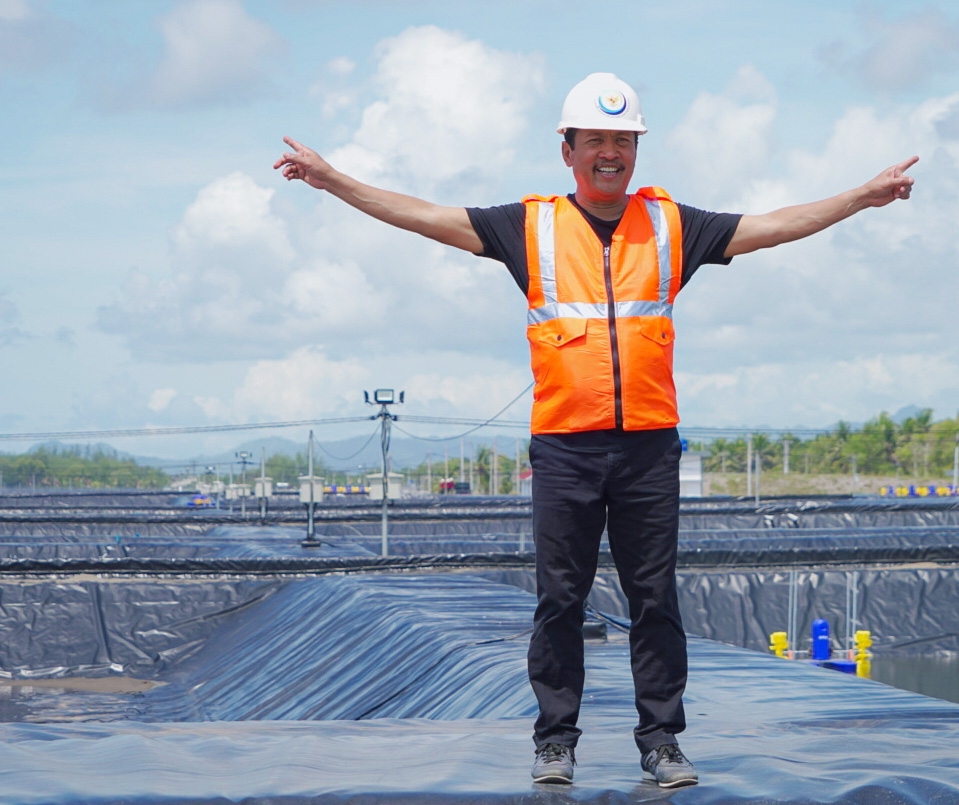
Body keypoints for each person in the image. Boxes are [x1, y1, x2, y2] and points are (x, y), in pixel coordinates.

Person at [274, 72, 916, 789]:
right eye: (597, 141)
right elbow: (422, 213)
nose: (611, 153)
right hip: (565, 448)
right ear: (569, 150)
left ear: (635, 149)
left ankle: (662, 740)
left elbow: (770, 226)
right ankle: (555, 740)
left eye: (623, 141)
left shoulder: (672, 224)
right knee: (560, 597)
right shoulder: (532, 225)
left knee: (655, 598)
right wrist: (334, 181)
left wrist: (861, 197)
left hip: (648, 446)